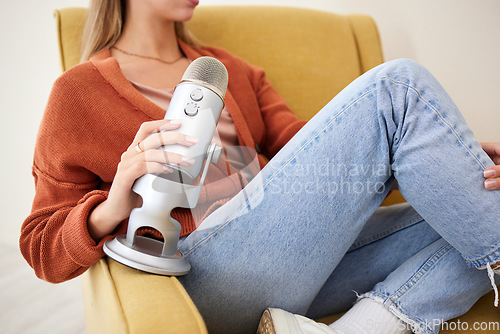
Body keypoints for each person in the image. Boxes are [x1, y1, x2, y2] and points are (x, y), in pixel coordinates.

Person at [20, 0, 500, 333]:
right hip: (203, 271)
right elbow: (40, 247)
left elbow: (312, 149)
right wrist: (115, 202)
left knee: (473, 203)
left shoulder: (234, 71)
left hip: (291, 257)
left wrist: (447, 154)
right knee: (399, 87)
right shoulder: (78, 92)